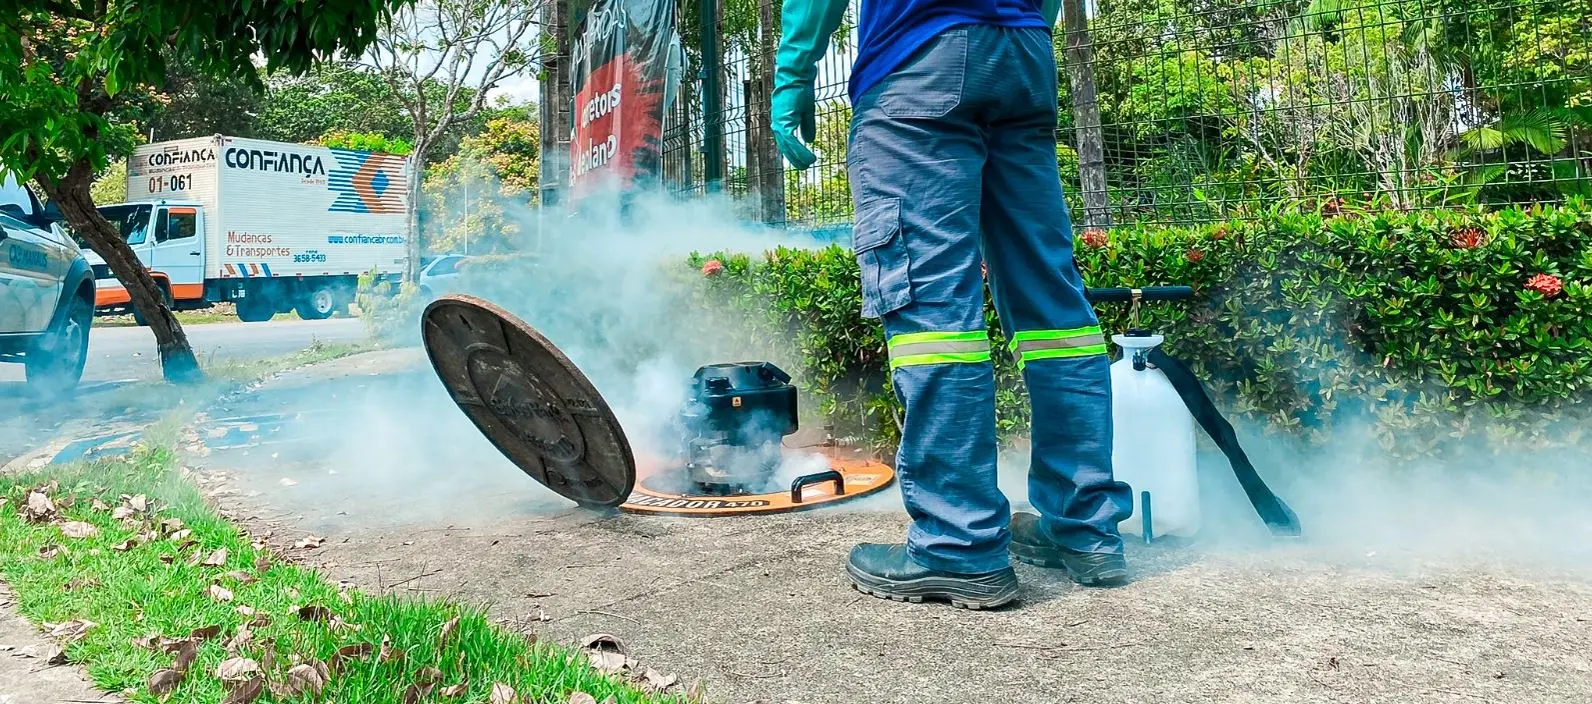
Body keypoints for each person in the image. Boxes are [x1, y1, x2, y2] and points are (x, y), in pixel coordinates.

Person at [771, 0, 1134, 608]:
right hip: (1023, 54)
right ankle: (1086, 528)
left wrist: (793, 75)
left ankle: (957, 543)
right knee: (1053, 308)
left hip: (922, 58)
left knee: (933, 315)